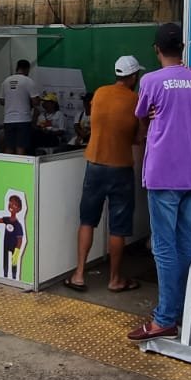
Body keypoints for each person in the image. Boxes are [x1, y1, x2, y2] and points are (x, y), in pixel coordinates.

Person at [129, 24, 191, 342]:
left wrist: (154, 113)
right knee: (185, 243)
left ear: (156, 49)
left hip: (164, 175)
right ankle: (180, 312)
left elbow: (141, 113)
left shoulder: (150, 81)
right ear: (183, 49)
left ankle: (164, 319)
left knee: (164, 247)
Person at [66, 56, 142, 293]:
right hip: (121, 168)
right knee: (118, 227)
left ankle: (79, 275)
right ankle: (115, 280)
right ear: (133, 76)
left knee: (87, 220)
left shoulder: (99, 93)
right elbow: (139, 138)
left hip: (95, 165)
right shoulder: (136, 100)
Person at [0, 59, 40, 154]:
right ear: (27, 69)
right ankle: (20, 164)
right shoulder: (28, 81)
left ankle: (8, 163)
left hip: (8, 119)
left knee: (9, 146)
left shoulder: (6, 81)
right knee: (20, 147)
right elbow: (35, 101)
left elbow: (1, 101)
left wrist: (12, 101)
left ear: (17, 68)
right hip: (23, 119)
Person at [0, 193, 27, 280]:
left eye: (14, 205)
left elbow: (20, 239)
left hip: (14, 246)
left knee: (14, 263)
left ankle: (14, 277)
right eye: (10, 203)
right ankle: (5, 276)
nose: (11, 205)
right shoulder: (7, 219)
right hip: (6, 244)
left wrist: (17, 251)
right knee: (5, 260)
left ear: (19, 209)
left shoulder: (18, 225)